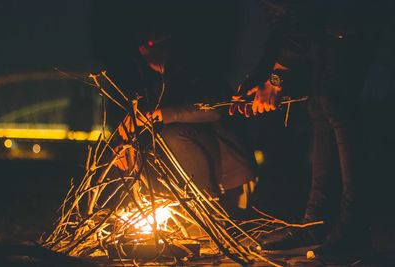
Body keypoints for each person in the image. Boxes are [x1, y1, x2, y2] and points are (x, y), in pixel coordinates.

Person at [231, 0, 391, 259]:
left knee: (335, 104)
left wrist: (275, 80)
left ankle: (354, 232)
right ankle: (316, 224)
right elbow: (284, 26)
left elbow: (301, 18)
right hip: (331, 31)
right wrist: (259, 76)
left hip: (352, 23)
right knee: (319, 107)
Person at [117, 33, 257, 212]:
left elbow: (216, 109)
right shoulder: (162, 83)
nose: (143, 50)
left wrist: (159, 114)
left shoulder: (193, 68)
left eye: (149, 43)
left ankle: (204, 205)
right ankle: (189, 204)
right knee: (156, 142)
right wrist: (125, 144)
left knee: (174, 134)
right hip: (215, 170)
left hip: (232, 176)